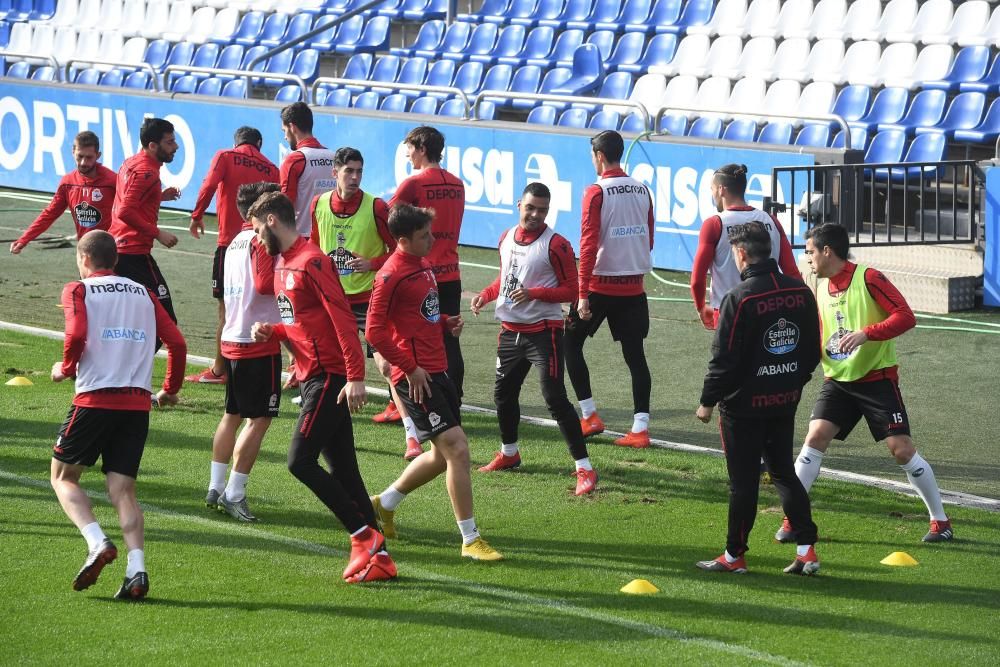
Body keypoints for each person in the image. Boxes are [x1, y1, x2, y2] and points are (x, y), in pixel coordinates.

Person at [249, 191, 396, 583]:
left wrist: (355, 376)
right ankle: (381, 557)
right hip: (312, 374)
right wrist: (274, 331)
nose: (256, 238)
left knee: (299, 461)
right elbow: (300, 323)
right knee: (345, 471)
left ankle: (362, 536)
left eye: (257, 229)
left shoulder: (312, 261)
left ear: (272, 222)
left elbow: (343, 319)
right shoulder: (283, 265)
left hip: (330, 377)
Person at [775, 222, 954, 544]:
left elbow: (905, 316)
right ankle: (794, 520)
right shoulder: (820, 287)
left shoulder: (869, 278)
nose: (808, 259)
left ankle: (940, 522)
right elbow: (821, 332)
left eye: (811, 252)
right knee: (815, 437)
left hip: (877, 380)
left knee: (901, 451)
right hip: (838, 381)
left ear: (827, 251)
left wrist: (866, 333)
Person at [50, 230, 186, 600]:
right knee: (123, 489)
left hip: (94, 400)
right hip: (137, 404)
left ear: (84, 258)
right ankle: (137, 570)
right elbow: (176, 341)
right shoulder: (143, 292)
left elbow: (76, 334)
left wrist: (65, 367)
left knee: (63, 476)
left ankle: (96, 542)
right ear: (115, 259)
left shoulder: (78, 290)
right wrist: (170, 389)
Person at [366, 204, 502, 562]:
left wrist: (443, 322)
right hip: (417, 379)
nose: (432, 240)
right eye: (425, 235)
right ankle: (470, 539)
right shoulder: (389, 275)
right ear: (402, 240)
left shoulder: (423, 265)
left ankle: (384, 503)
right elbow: (374, 331)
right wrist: (409, 368)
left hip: (437, 369)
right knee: (457, 448)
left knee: (442, 456)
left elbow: (419, 315)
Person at [694, 222, 821, 575]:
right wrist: (793, 381)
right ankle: (807, 549)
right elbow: (812, 350)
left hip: (742, 408)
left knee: (744, 483)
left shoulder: (741, 297)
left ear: (741, 253)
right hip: (784, 400)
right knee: (783, 471)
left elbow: (724, 357)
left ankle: (734, 556)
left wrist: (707, 400)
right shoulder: (801, 291)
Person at [471, 183, 597, 496]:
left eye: (542, 210)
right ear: (519, 205)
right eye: (531, 208)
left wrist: (534, 294)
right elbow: (506, 279)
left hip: (545, 332)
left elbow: (571, 290)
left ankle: (585, 468)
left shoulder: (557, 245)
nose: (536, 215)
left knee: (554, 398)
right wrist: (486, 295)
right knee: (503, 396)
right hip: (510, 331)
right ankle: (509, 453)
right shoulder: (505, 238)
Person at [308, 148, 420, 459]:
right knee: (329, 368)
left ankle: (412, 436)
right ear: (335, 173)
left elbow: (400, 251)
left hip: (369, 300)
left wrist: (371, 264)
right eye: (349, 171)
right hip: (332, 301)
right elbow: (314, 249)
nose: (355, 177)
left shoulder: (376, 207)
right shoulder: (318, 205)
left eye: (359, 171)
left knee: (385, 365)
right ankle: (330, 433)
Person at [565, 130, 654, 448]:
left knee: (570, 345)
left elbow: (587, 243)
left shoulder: (596, 191)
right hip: (634, 287)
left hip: (601, 285)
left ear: (599, 156)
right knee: (636, 357)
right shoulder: (643, 189)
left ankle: (589, 415)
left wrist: (582, 293)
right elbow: (649, 237)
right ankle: (640, 429)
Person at [205, 181, 283, 522]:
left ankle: (215, 485)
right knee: (259, 419)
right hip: (257, 341)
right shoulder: (260, 241)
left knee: (232, 415)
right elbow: (266, 285)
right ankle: (234, 494)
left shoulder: (234, 241)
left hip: (233, 336)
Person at [187, 126, 279, 385]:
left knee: (227, 309)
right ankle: (291, 365)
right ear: (259, 143)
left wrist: (197, 215)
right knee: (267, 305)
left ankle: (220, 369)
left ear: (236, 141)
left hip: (232, 244)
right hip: (265, 241)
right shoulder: (272, 167)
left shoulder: (225, 156)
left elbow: (208, 185)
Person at [387, 125, 466, 414]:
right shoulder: (458, 184)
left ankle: (400, 404)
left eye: (409, 148)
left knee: (407, 336)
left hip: (419, 274)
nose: (407, 154)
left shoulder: (414, 184)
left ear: (421, 148)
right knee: (450, 339)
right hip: (451, 273)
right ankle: (453, 397)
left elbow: (391, 221)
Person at [690, 163, 802, 331]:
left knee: (728, 357)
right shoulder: (771, 220)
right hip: (769, 308)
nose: (712, 194)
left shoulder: (714, 224)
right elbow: (791, 272)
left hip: (728, 311)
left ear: (721, 190)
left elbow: (697, 279)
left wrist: (700, 307)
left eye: (712, 189)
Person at [107, 117, 182, 327]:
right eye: (169, 142)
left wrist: (158, 195)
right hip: (133, 254)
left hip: (118, 250)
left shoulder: (130, 162)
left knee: (131, 320)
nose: (175, 147)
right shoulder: (147, 172)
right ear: (152, 145)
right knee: (166, 323)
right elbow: (125, 210)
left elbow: (128, 197)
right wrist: (157, 233)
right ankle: (133, 360)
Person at [10, 131, 116, 254]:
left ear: (98, 155)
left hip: (111, 249)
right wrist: (24, 239)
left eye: (89, 157)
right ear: (73, 153)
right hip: (85, 250)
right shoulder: (67, 182)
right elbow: (50, 214)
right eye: (80, 156)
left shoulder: (113, 181)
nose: (83, 163)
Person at [278, 101, 336, 237]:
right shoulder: (335, 157)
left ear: (292, 127)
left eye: (284, 131)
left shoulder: (293, 160)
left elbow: (285, 205)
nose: (285, 137)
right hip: (332, 236)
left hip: (302, 238)